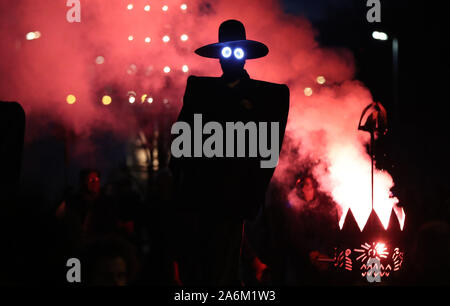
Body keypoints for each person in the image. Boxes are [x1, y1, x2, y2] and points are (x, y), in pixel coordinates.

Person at [169, 19, 290, 285]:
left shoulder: (267, 98)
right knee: (200, 269)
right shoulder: (200, 92)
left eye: (237, 52)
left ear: (245, 57)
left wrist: (251, 194)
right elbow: (181, 140)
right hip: (199, 197)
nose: (232, 58)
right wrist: (180, 182)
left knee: (225, 268)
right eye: (226, 52)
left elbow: (267, 151)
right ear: (219, 57)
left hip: (235, 198)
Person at [284, 174, 339, 285]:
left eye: (308, 185)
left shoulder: (325, 208)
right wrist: (308, 253)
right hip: (301, 264)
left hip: (323, 262)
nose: (305, 189)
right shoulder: (293, 209)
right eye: (302, 185)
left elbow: (331, 234)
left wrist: (324, 254)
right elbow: (293, 236)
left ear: (314, 187)